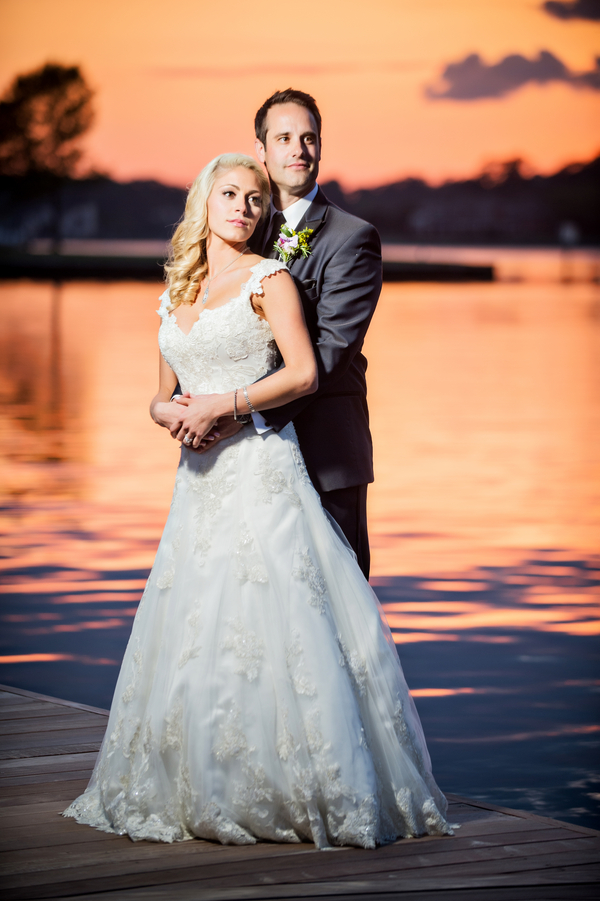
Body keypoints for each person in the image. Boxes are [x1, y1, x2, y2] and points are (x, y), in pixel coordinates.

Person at [64, 152, 452, 849]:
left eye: (254, 197)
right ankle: (199, 777)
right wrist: (171, 415)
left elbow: (303, 373)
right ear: (204, 202)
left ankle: (294, 787)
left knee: (272, 621)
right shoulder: (177, 287)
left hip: (260, 471)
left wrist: (226, 404)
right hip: (197, 481)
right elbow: (159, 392)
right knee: (195, 623)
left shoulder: (270, 279)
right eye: (230, 193)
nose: (242, 205)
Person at [189, 89, 381, 579]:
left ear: (320, 147)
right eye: (284, 138)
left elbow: (331, 352)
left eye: (309, 138)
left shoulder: (351, 238)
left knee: (332, 613)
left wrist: (238, 413)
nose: (298, 149)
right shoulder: (241, 226)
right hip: (239, 460)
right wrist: (184, 405)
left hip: (322, 452)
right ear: (261, 149)